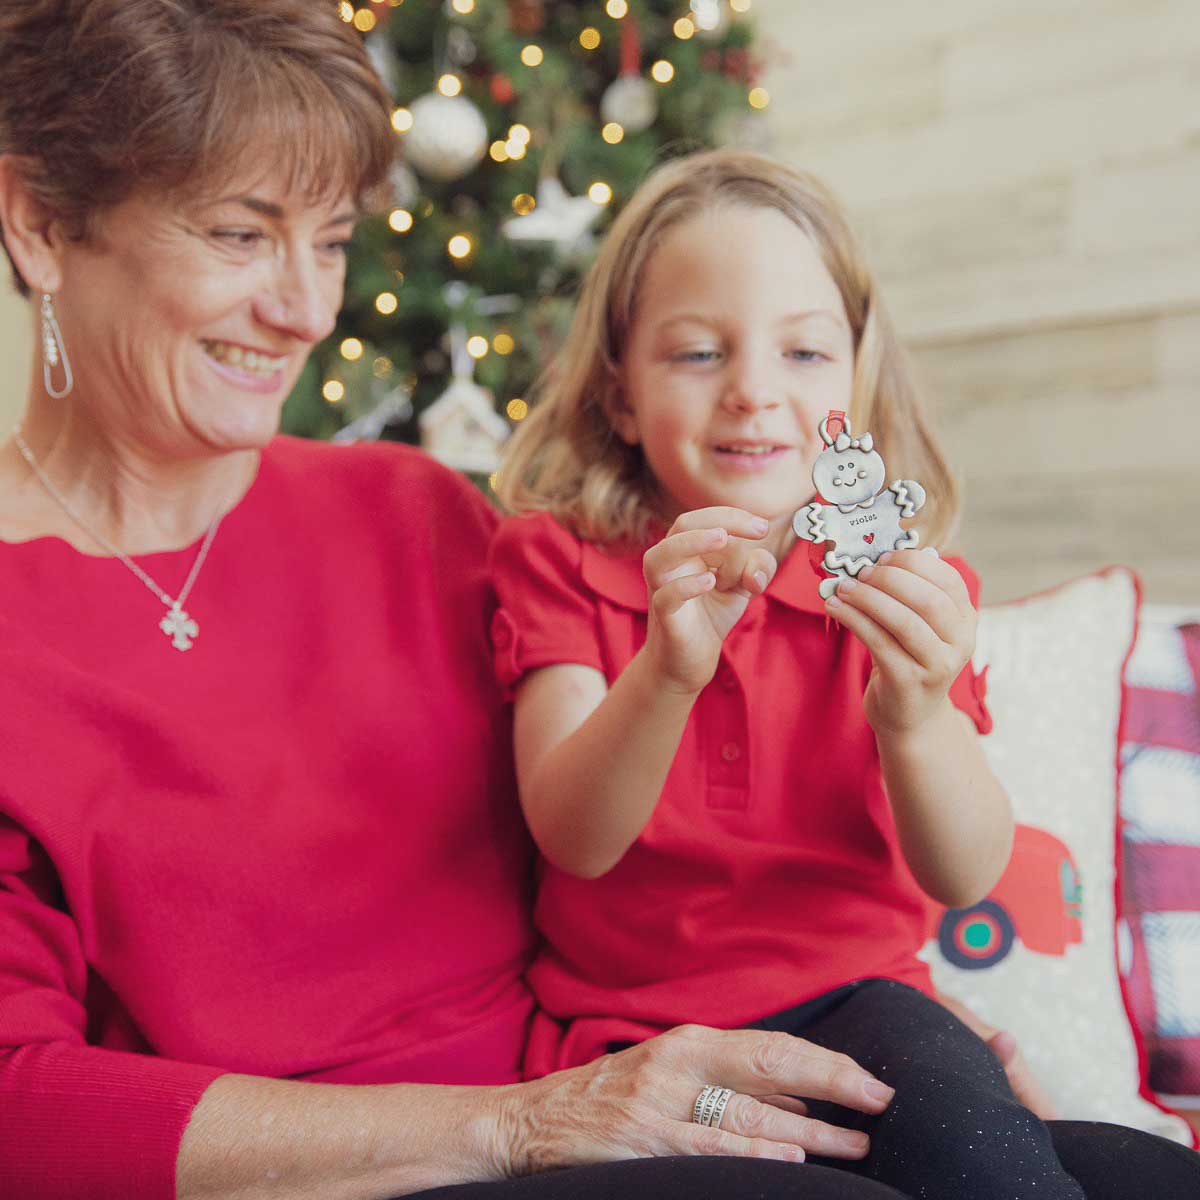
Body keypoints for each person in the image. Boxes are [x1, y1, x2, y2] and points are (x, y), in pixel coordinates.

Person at [0, 5, 985, 1200]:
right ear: (41, 224)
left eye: (333, 242)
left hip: (613, 1099)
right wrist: (512, 1125)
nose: (307, 311)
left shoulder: (418, 518)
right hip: (385, 1167)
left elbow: (668, 832)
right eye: (241, 235)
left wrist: (915, 1056)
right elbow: (19, 1105)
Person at [490, 149, 1200, 1199]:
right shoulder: (559, 563)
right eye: (695, 353)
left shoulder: (901, 583)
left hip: (861, 1012)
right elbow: (573, 837)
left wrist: (916, 717)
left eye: (806, 353)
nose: (753, 393)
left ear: (858, 381)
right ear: (620, 394)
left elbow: (962, 873)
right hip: (634, 1042)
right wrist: (666, 674)